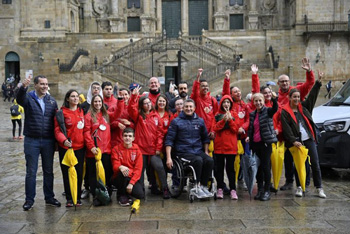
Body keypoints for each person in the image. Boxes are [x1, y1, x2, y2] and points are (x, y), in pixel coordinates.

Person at [17, 75, 61, 211]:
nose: (45, 86)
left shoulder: (52, 101)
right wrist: (23, 87)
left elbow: (57, 122)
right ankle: (29, 200)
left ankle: (49, 197)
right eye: (42, 84)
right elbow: (19, 99)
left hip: (48, 140)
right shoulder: (29, 98)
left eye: (46, 84)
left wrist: (57, 141)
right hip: (32, 140)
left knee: (48, 171)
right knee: (31, 171)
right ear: (35, 85)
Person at [281, 71, 326, 198]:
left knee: (315, 164)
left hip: (309, 139)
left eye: (298, 97)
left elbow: (312, 96)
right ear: (289, 98)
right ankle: (300, 187)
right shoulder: (285, 112)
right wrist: (293, 141)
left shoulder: (304, 107)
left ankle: (319, 187)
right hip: (297, 141)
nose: (296, 99)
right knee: (299, 165)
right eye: (294, 97)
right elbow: (286, 129)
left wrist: (318, 82)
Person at [277, 58, 315, 191]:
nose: (284, 83)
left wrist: (309, 71)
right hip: (286, 134)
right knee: (288, 158)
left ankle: (306, 181)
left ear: (289, 82)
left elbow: (310, 84)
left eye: (286, 81)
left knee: (304, 157)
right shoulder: (278, 97)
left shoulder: (296, 91)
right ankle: (289, 181)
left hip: (300, 131)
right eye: (282, 81)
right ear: (278, 84)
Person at [165, 99, 214, 199]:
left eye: (190, 107)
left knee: (209, 160)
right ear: (183, 108)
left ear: (194, 108)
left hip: (197, 150)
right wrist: (169, 157)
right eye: (186, 107)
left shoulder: (200, 121)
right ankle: (196, 186)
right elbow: (169, 140)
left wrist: (206, 151)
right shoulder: (176, 122)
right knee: (198, 161)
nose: (188, 108)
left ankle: (203, 186)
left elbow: (205, 138)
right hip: (183, 152)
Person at [128, 86, 170, 199]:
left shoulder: (156, 116)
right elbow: (131, 109)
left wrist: (158, 147)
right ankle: (140, 189)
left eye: (149, 103)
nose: (148, 105)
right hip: (141, 149)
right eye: (145, 103)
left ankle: (165, 188)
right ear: (142, 105)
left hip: (153, 150)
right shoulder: (139, 116)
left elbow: (160, 134)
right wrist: (134, 96)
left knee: (159, 167)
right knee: (140, 171)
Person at [83, 94, 124, 206]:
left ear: (102, 103)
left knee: (107, 173)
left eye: (99, 102)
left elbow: (117, 113)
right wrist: (91, 147)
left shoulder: (106, 115)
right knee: (93, 176)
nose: (97, 104)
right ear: (92, 103)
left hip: (106, 151)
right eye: (95, 102)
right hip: (94, 152)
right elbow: (86, 133)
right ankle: (96, 195)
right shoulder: (88, 116)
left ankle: (106, 194)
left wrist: (120, 100)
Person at [54, 89, 85, 207]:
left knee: (78, 172)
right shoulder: (61, 113)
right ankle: (69, 198)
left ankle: (77, 197)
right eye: (72, 96)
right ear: (67, 99)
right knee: (67, 173)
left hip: (80, 148)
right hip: (66, 148)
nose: (75, 98)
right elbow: (57, 130)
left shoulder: (81, 111)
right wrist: (64, 140)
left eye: (77, 96)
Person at [246, 93, 278, 201]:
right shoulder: (252, 114)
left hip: (265, 144)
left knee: (265, 167)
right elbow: (251, 129)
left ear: (263, 101)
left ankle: (267, 190)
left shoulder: (268, 111)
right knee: (258, 168)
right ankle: (260, 189)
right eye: (256, 101)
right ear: (253, 102)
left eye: (260, 100)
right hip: (255, 144)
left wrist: (274, 99)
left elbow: (275, 108)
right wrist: (248, 137)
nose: (258, 103)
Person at [213, 95, 239, 200]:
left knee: (230, 169)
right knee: (219, 169)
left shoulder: (234, 114)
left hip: (231, 146)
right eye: (224, 102)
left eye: (228, 102)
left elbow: (236, 129)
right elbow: (215, 128)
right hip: (219, 146)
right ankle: (220, 188)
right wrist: (223, 120)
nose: (226, 104)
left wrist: (230, 120)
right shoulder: (217, 115)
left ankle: (233, 189)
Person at [111, 128, 144, 206]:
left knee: (140, 195)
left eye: (130, 136)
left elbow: (138, 170)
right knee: (123, 172)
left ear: (133, 138)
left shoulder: (137, 151)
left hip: (131, 176)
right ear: (122, 137)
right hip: (119, 176)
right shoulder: (116, 149)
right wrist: (120, 166)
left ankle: (127, 191)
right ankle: (121, 195)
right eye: (125, 136)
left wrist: (131, 184)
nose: (127, 138)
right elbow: (115, 165)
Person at [190, 69, 218, 138]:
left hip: (210, 133)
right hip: (198, 132)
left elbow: (216, 116)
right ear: (199, 87)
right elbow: (194, 91)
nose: (205, 88)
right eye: (203, 86)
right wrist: (198, 78)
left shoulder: (212, 100)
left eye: (206, 86)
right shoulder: (197, 99)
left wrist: (213, 130)